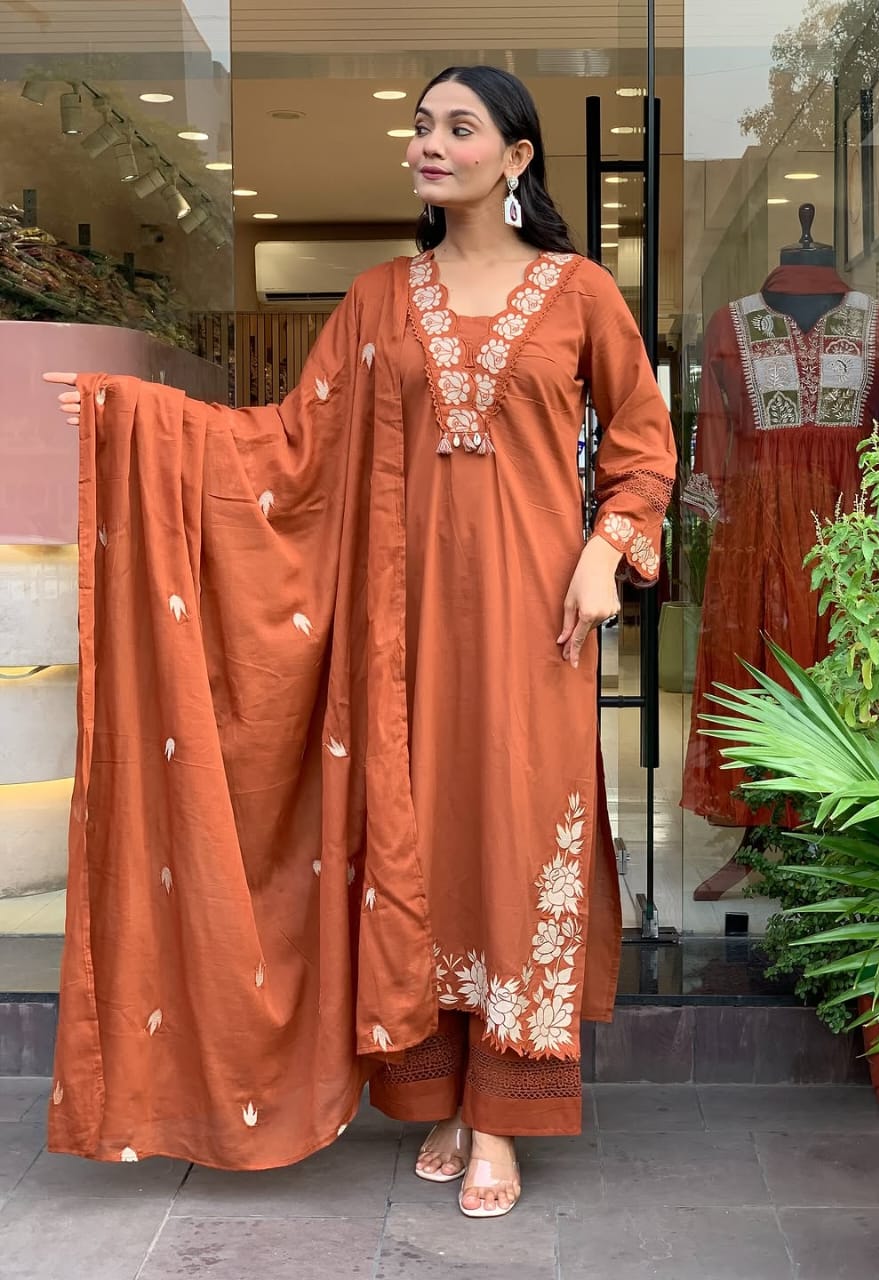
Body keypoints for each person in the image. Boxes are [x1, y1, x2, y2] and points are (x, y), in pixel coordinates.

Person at [43, 65, 676, 1219]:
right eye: (422, 127)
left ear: (516, 157)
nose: (429, 144)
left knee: (513, 836)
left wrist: (607, 547)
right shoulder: (383, 297)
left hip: (536, 624)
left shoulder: (581, 291)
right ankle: (440, 1093)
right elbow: (289, 443)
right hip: (400, 624)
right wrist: (130, 415)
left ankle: (503, 1111)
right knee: (417, 837)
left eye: (458, 127)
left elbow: (643, 441)